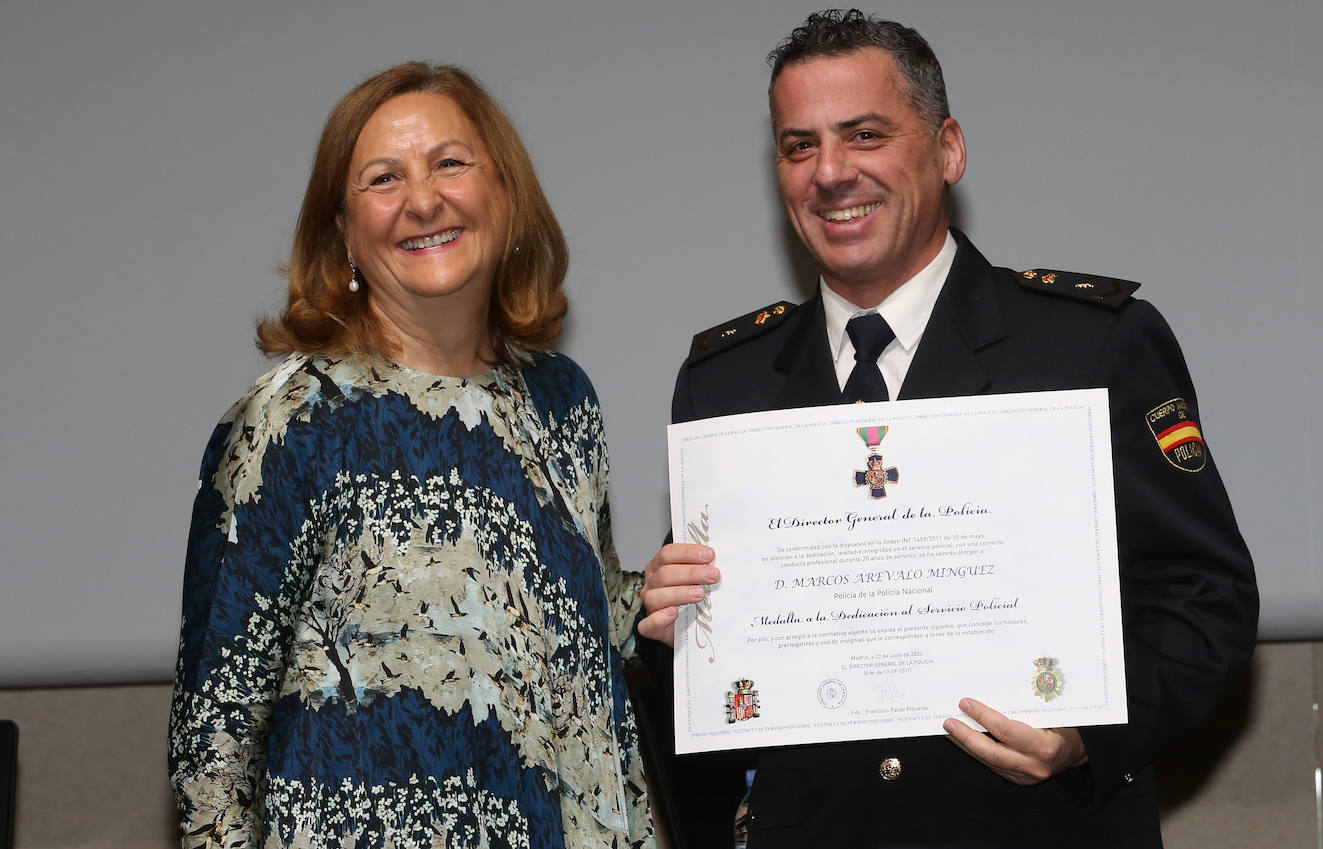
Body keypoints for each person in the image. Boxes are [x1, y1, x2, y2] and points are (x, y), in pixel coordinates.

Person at [635, 10, 1257, 849]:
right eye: (798, 145)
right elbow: (717, 694)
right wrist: (678, 631)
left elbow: (1204, 598)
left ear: (948, 149)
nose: (830, 173)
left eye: (864, 134)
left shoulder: (1091, 345)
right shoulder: (725, 384)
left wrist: (1085, 738)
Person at [168, 62, 654, 849]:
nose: (423, 200)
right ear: (343, 232)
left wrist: (675, 599)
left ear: (505, 193)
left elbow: (577, 628)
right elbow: (213, 746)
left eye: (450, 163)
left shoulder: (562, 399)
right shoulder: (292, 423)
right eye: (383, 178)